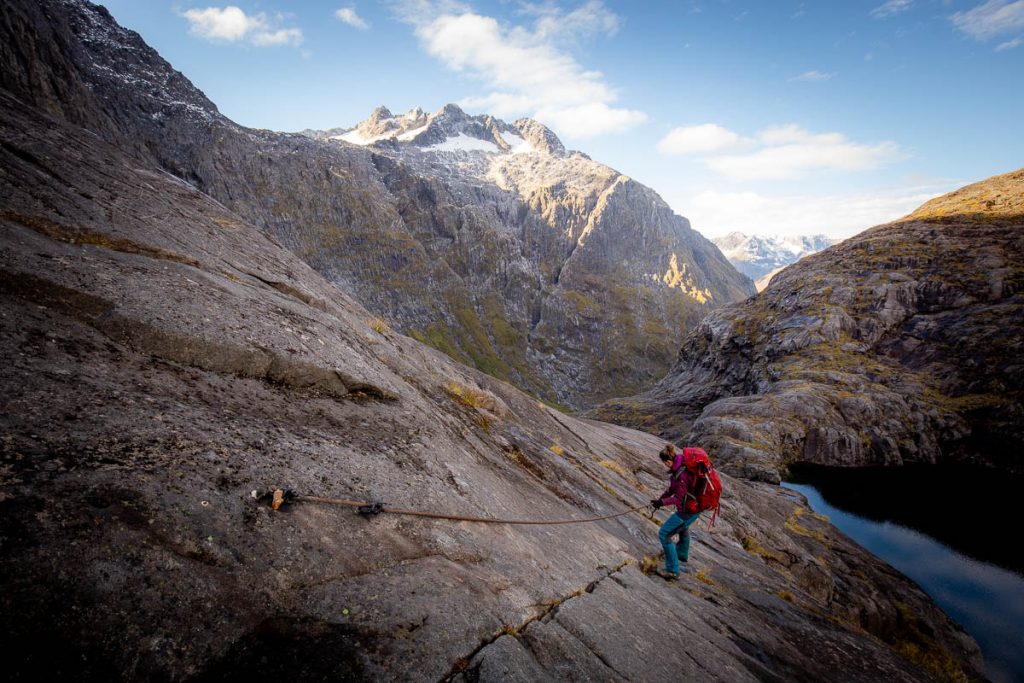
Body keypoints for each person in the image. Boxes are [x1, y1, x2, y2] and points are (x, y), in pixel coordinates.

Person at [650, 443, 701, 580]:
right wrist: (659, 501)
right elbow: (672, 490)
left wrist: (662, 503)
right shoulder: (679, 468)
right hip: (691, 509)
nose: (665, 465)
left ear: (668, 461)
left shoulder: (682, 474)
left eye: (664, 463)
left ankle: (672, 570)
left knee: (664, 534)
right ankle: (682, 554)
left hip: (689, 510)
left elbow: (678, 498)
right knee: (682, 528)